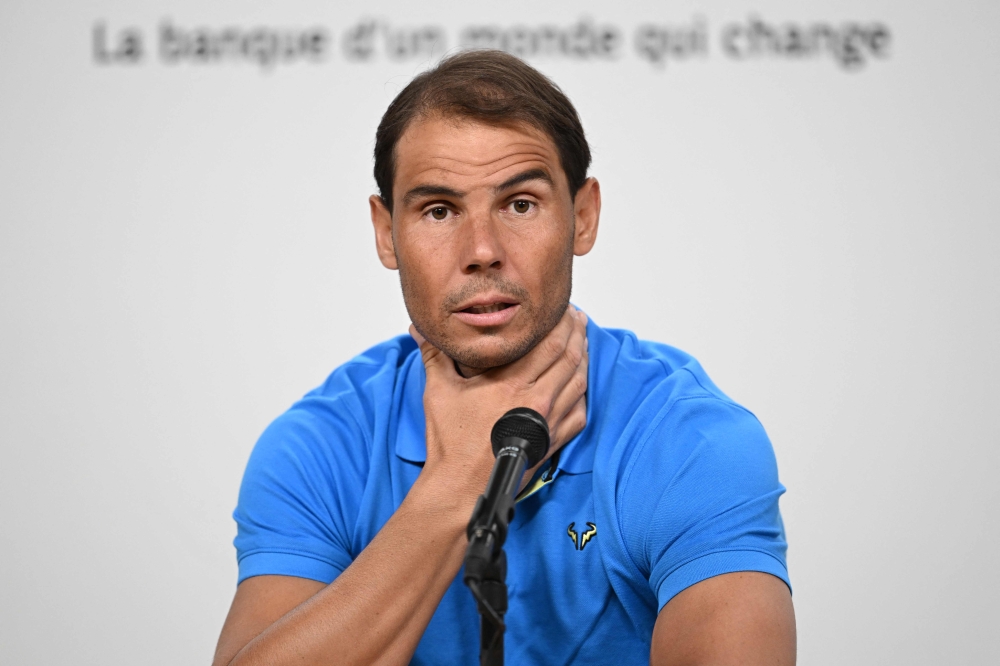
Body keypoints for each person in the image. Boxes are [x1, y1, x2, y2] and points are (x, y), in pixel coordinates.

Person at [213, 50, 795, 666]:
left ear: (583, 216)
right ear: (386, 232)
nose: (482, 250)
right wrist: (459, 478)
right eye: (439, 210)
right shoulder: (319, 445)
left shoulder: (690, 439)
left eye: (520, 203)